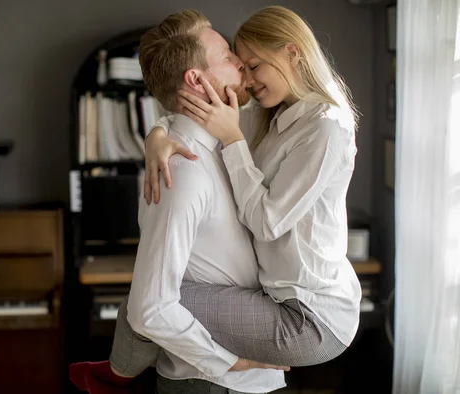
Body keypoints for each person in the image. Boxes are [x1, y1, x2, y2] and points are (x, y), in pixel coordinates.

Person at [71, 6, 361, 394]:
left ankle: (115, 373)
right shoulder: (202, 156)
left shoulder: (311, 126)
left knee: (141, 302)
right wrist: (156, 135)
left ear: (292, 53)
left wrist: (227, 139)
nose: (243, 69)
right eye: (232, 58)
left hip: (308, 312)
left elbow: (267, 220)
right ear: (196, 78)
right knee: (147, 301)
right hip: (234, 361)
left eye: (252, 63)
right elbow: (182, 116)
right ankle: (115, 374)